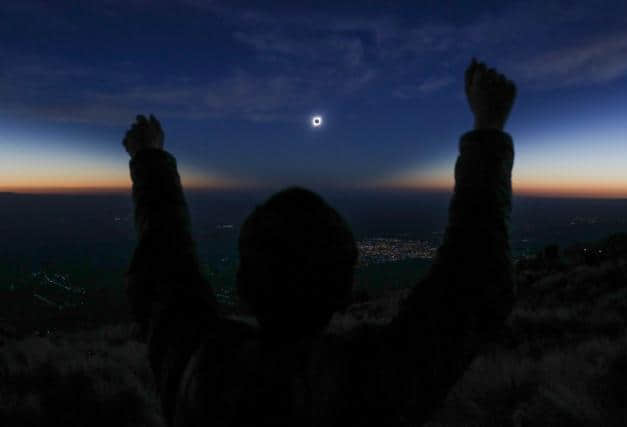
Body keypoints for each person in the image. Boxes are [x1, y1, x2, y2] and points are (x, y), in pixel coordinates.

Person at [122, 58, 517, 427]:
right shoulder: (375, 384)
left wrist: (149, 157)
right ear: (345, 289)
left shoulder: (203, 372)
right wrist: (489, 125)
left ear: (243, 285)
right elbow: (472, 274)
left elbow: (165, 264)